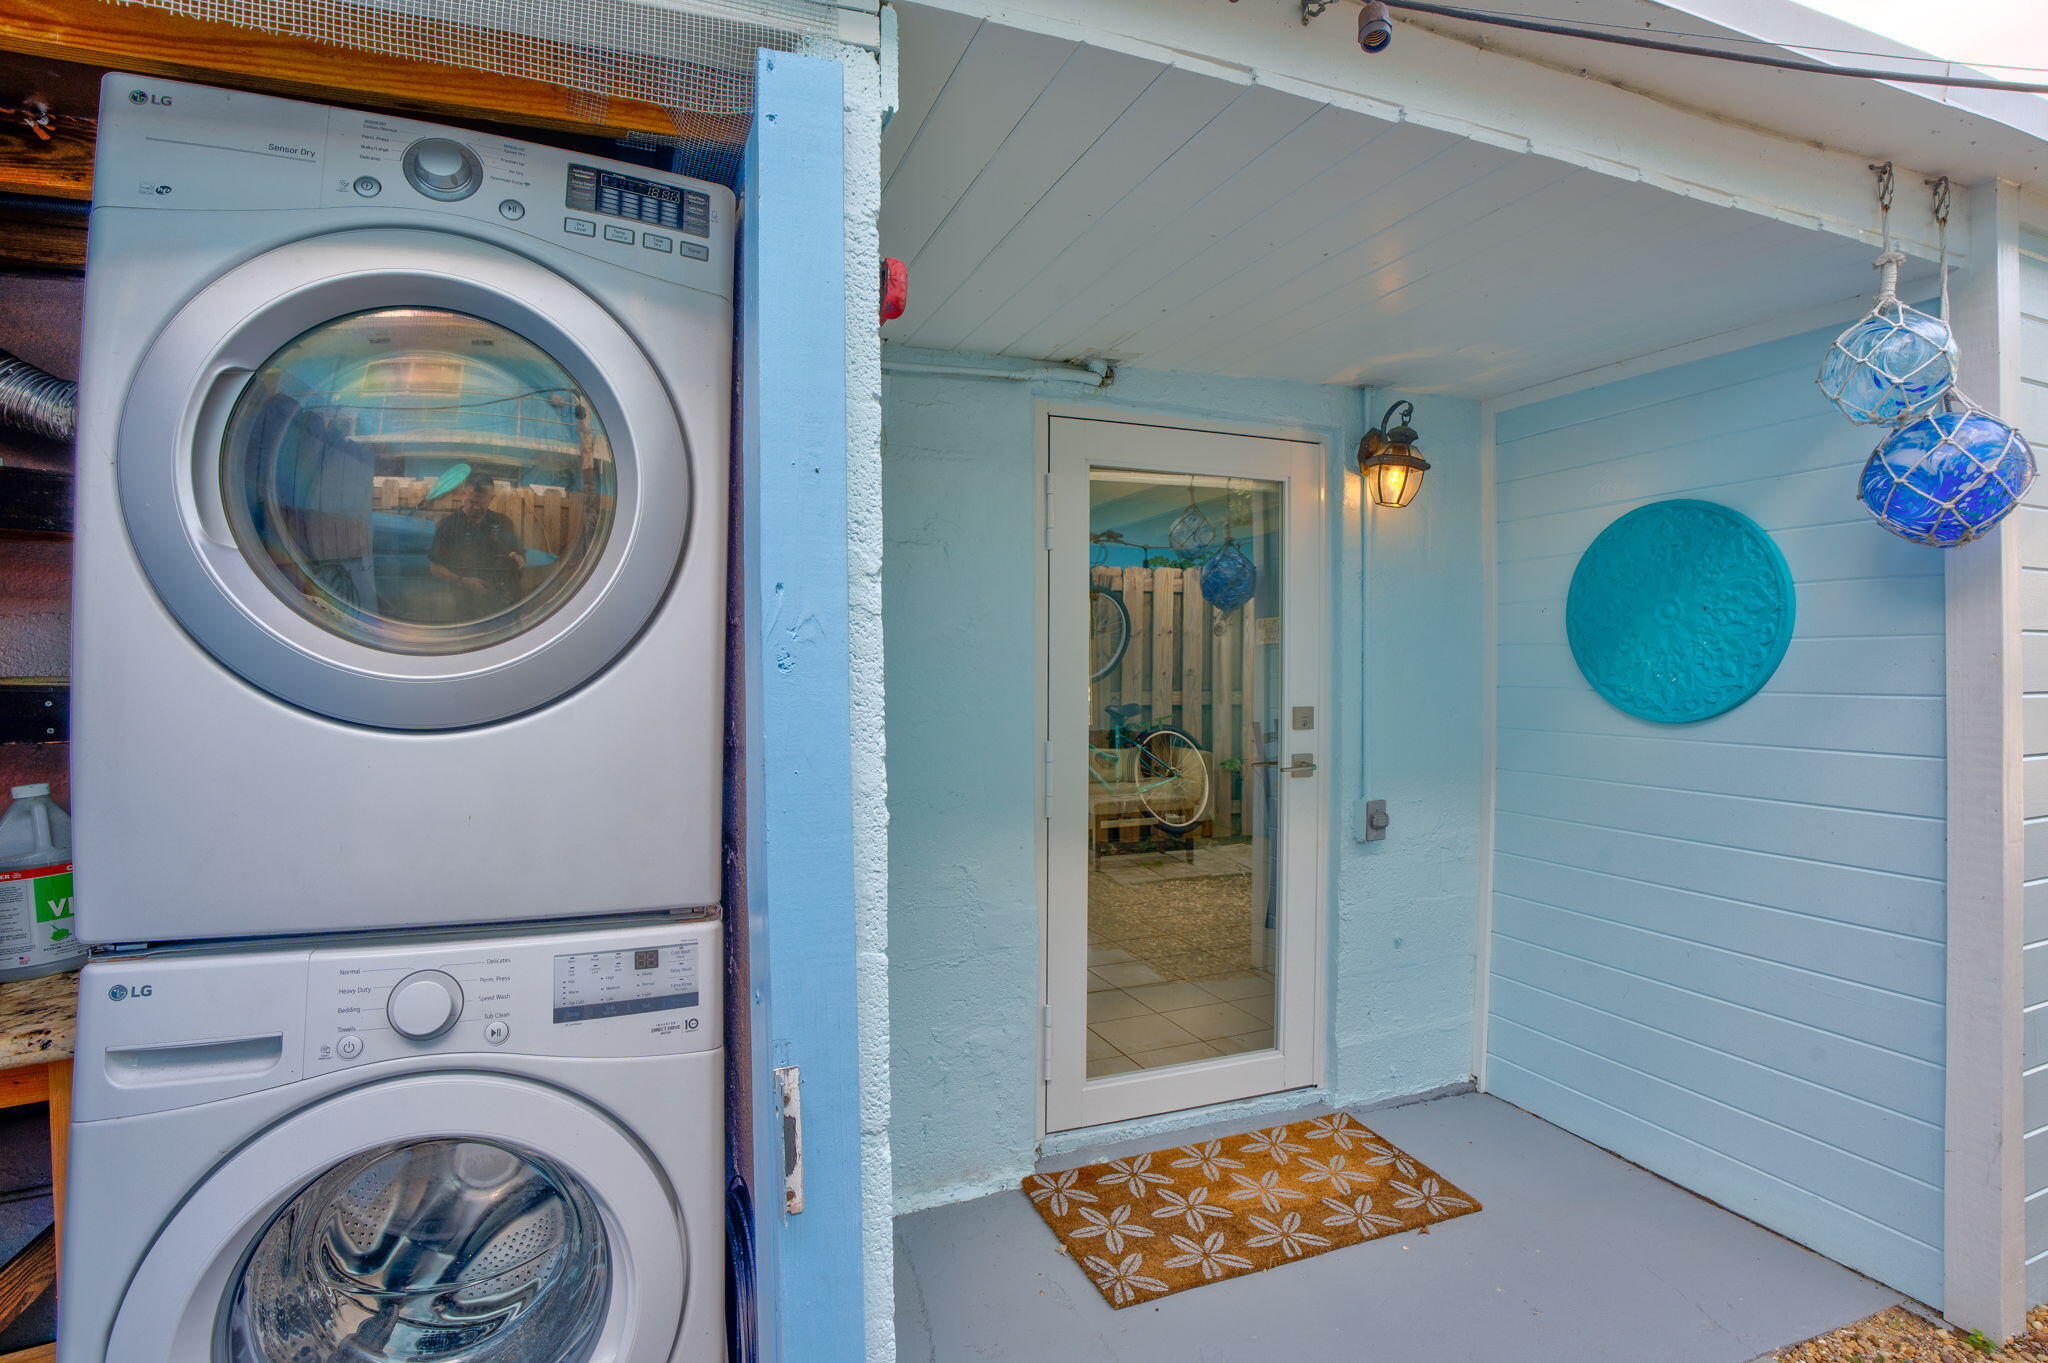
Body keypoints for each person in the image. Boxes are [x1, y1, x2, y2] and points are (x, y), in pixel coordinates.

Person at [428, 471, 523, 619]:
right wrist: (463, 581)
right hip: (465, 605)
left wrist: (518, 559)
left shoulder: (504, 523)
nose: (476, 508)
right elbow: (434, 567)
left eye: (482, 503)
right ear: (463, 494)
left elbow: (518, 556)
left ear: (492, 498)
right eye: (472, 502)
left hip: (503, 603)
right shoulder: (448, 525)